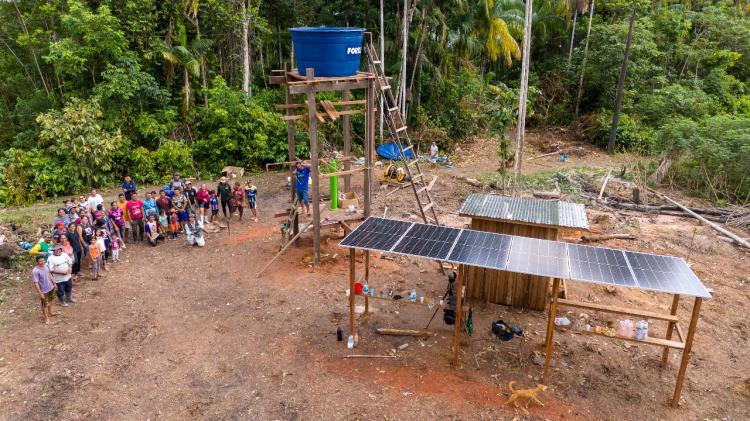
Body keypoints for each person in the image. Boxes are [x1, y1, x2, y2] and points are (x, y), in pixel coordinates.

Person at [32, 255, 56, 323]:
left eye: (43, 260)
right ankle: (46, 318)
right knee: (44, 304)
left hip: (51, 287)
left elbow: (49, 274)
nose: (42, 262)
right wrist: (40, 293)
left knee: (51, 300)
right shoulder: (35, 271)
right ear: (37, 262)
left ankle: (50, 312)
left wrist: (54, 282)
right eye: (40, 261)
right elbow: (36, 283)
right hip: (43, 290)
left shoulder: (46, 266)